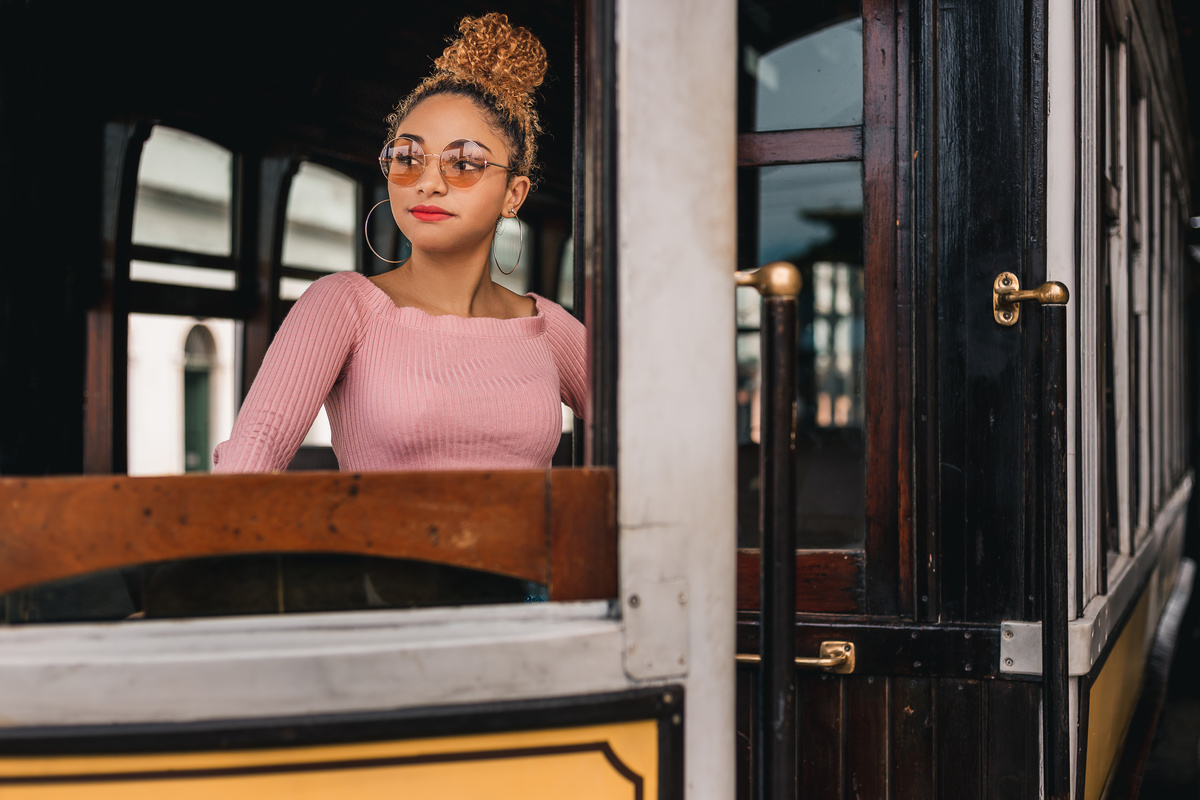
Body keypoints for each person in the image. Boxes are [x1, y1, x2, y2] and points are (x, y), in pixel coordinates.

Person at [212, 12, 586, 475]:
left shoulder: (548, 328)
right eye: (408, 157)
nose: (428, 183)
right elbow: (254, 454)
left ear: (514, 194)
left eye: (464, 162)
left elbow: (658, 424)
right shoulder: (343, 306)